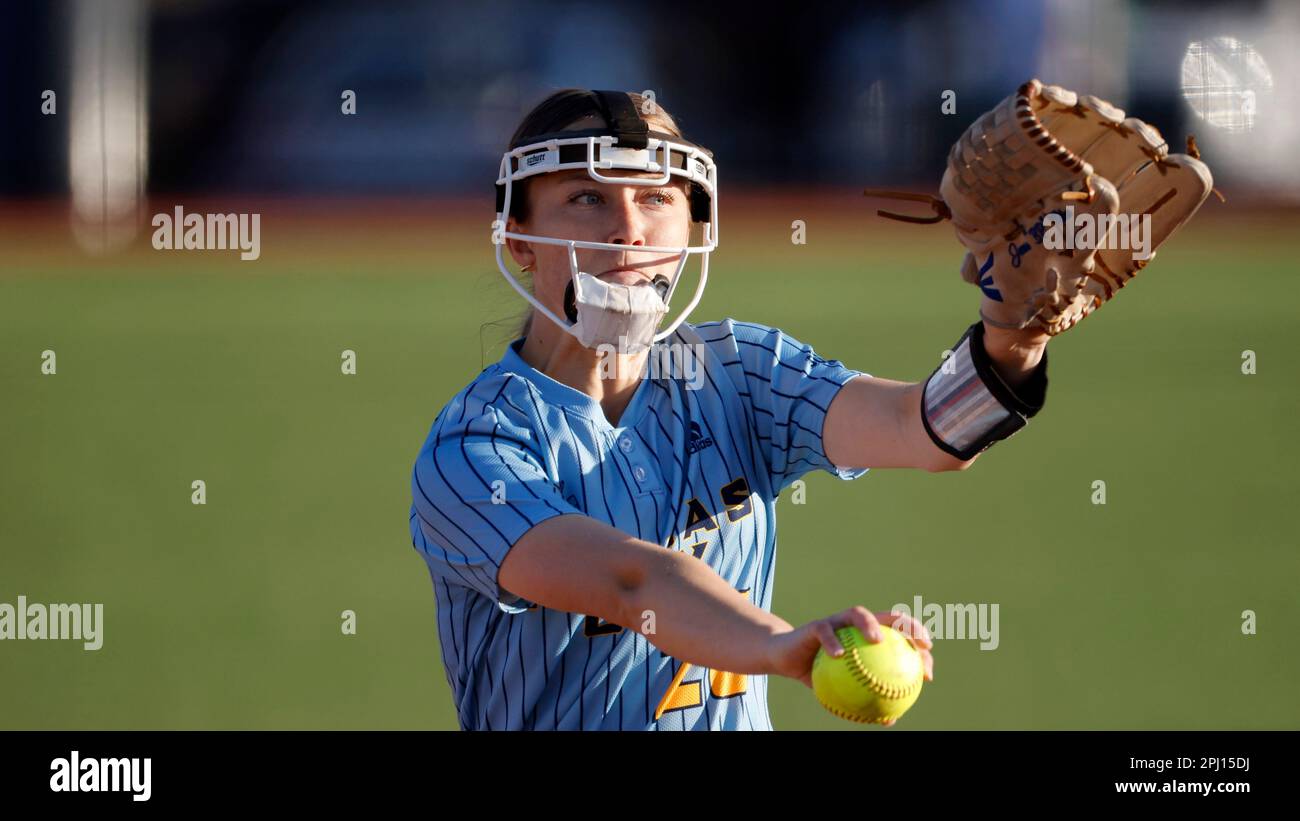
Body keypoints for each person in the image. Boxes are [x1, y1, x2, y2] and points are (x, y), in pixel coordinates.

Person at [408, 89, 1048, 730]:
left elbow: (923, 429)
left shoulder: (740, 371)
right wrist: (775, 645)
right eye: (587, 197)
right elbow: (633, 584)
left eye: (656, 197)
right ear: (521, 240)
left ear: (691, 224)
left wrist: (1017, 332)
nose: (627, 227)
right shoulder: (473, 445)